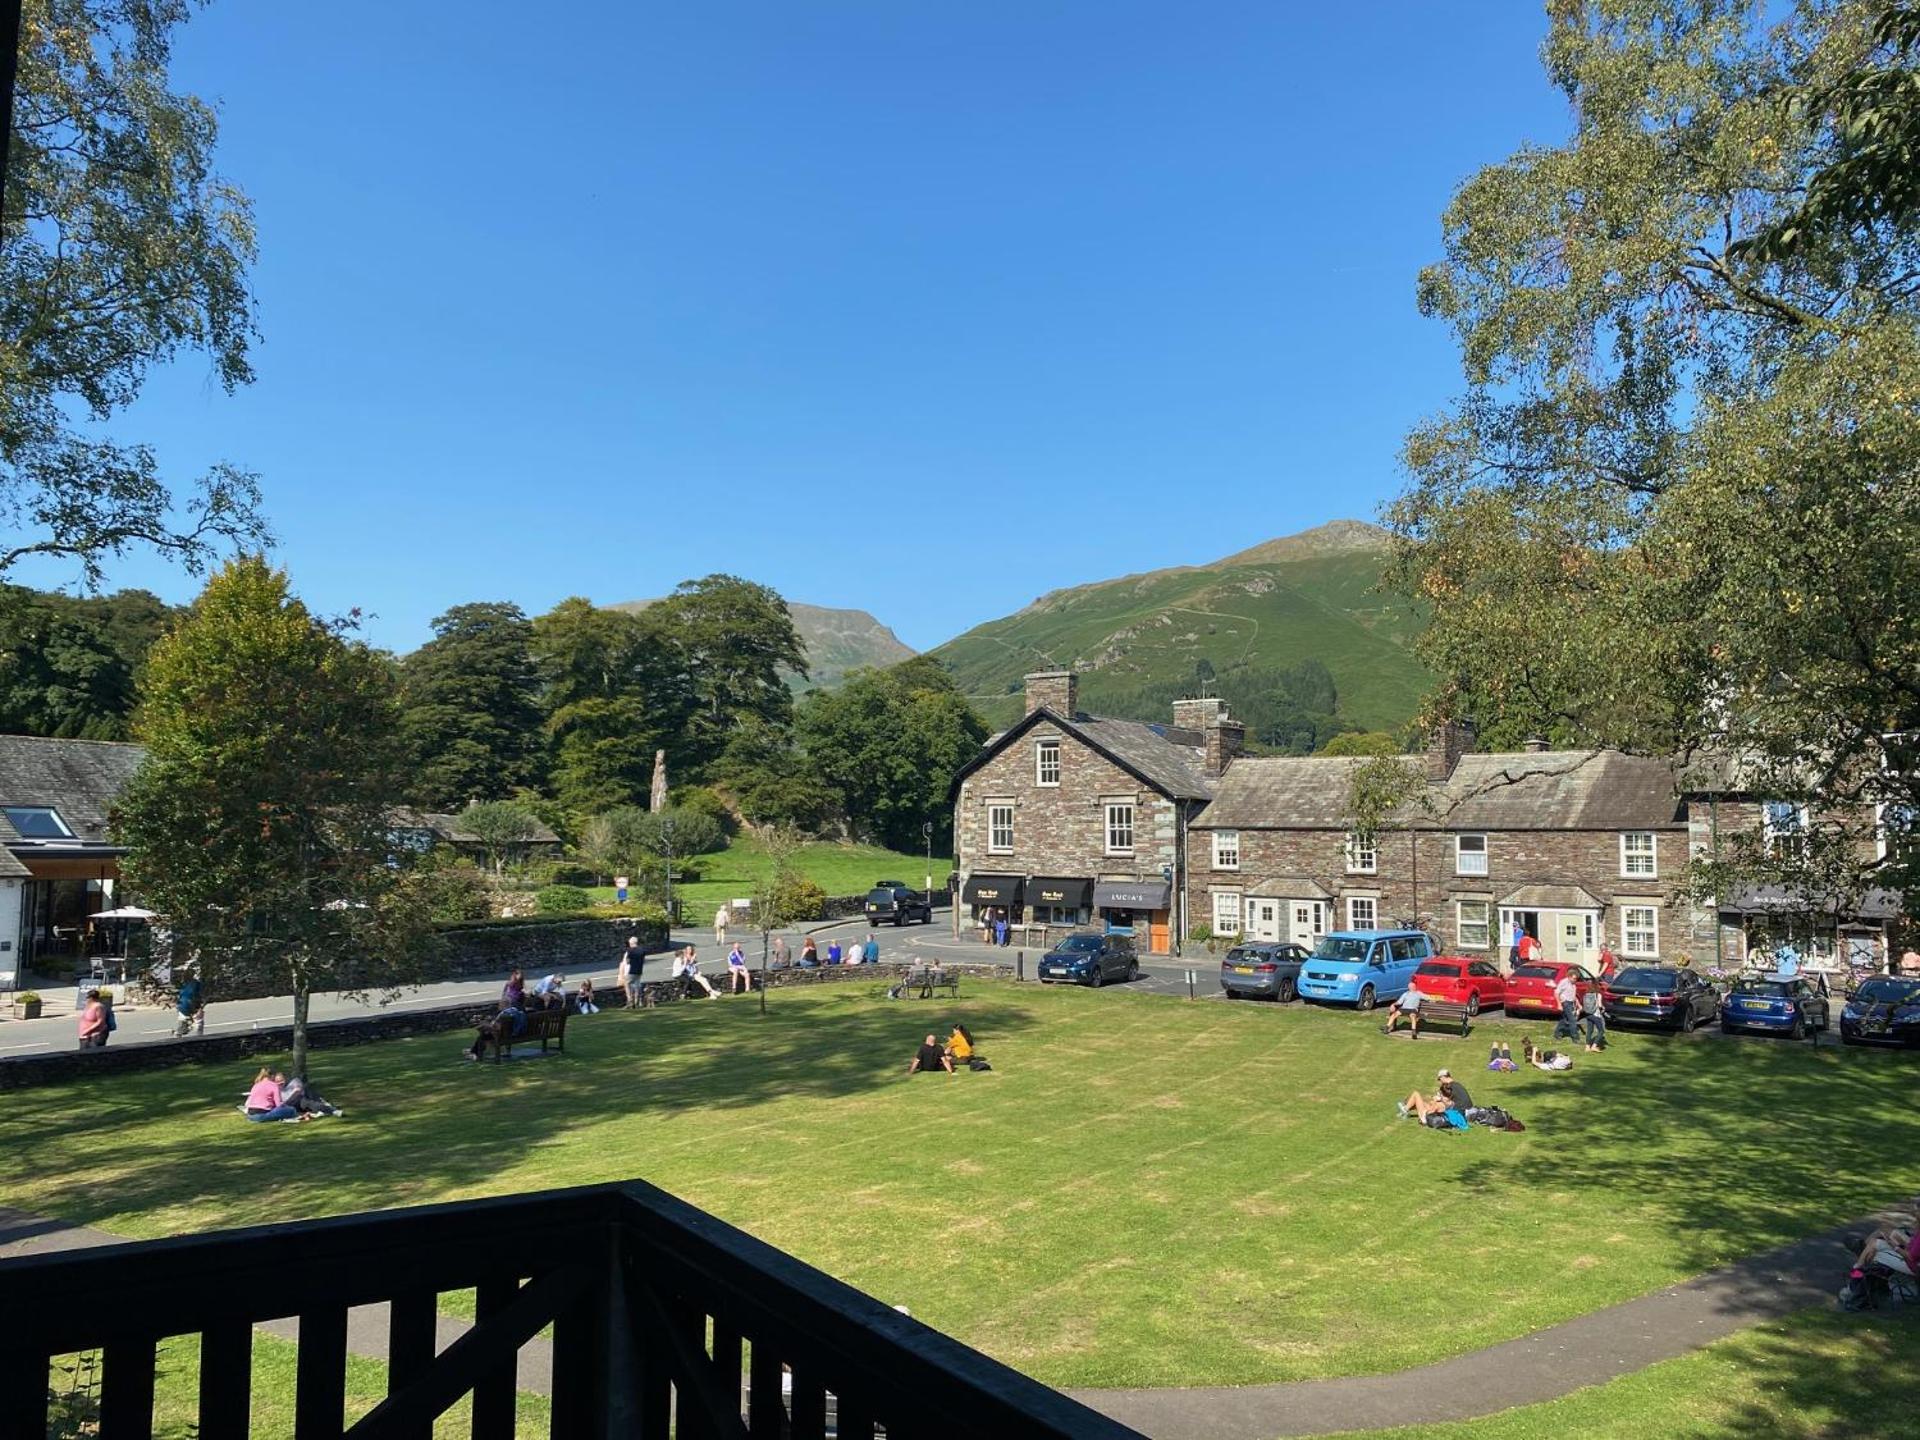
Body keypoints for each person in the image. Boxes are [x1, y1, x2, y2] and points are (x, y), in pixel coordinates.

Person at [1397, 1067, 1473, 1123]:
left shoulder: (1449, 1087)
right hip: (1460, 1110)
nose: (1440, 1081)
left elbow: (1443, 1104)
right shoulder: (1457, 1085)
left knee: (1416, 1094)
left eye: (1440, 1079)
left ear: (1443, 1077)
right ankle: (1406, 1108)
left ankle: (1405, 1109)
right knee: (1423, 1101)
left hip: (1429, 1116)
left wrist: (1438, 1100)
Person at [174, 971, 205, 1038]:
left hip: (183, 1007)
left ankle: (179, 1034)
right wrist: (201, 1007)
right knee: (198, 1025)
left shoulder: (183, 985)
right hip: (192, 1007)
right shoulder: (196, 984)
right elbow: (202, 996)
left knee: (182, 1023)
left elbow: (179, 997)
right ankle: (199, 1038)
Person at [1552, 971, 1581, 1041]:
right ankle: (1575, 1037)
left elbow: (1573, 996)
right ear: (1569, 976)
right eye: (1574, 978)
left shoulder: (1573, 985)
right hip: (1565, 1002)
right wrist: (1559, 1004)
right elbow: (1556, 993)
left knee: (1564, 1019)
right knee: (1572, 1019)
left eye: (1576, 979)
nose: (1575, 980)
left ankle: (1557, 1033)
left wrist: (1578, 1004)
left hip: (1570, 1003)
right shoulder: (1564, 982)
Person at [616, 936, 643, 1008]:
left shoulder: (630, 951)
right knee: (636, 986)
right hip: (639, 971)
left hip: (631, 971)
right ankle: (636, 1002)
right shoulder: (642, 950)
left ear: (631, 943)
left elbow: (627, 962)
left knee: (627, 983)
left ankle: (630, 1000)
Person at [1579, 985, 1608, 1052]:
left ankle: (1587, 1047)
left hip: (1588, 1014)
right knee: (1601, 1031)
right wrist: (1603, 1008)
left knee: (1590, 1031)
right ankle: (1594, 1046)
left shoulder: (1585, 995)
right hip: (1595, 1015)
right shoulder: (1598, 995)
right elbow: (1600, 1005)